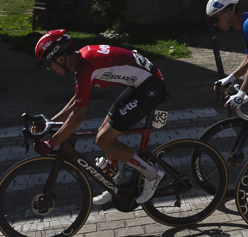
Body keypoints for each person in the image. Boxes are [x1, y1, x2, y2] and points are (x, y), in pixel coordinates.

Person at [33, 29, 168, 206]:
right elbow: (77, 100)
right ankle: (115, 186)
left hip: (151, 87)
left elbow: (78, 115)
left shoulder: (84, 66)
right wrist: (50, 122)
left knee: (104, 139)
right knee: (103, 134)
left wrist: (52, 143)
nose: (49, 69)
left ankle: (152, 174)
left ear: (60, 58)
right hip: (141, 84)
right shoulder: (81, 60)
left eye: (48, 64)